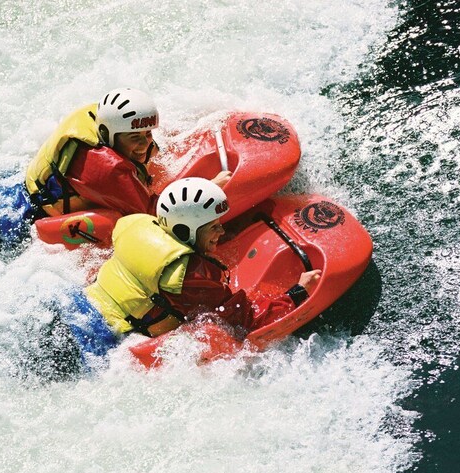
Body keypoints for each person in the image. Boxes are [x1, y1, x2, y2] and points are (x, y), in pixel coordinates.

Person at [83, 177, 322, 340]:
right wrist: (297, 292)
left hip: (82, 304)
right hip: (103, 338)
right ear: (185, 232)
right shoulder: (191, 276)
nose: (221, 232)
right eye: (213, 227)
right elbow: (245, 320)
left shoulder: (140, 223)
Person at [24, 87, 230, 219]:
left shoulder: (101, 116)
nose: (144, 143)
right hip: (28, 214)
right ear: (109, 134)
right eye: (134, 137)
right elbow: (154, 213)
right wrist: (210, 187)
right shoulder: (107, 169)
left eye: (148, 133)